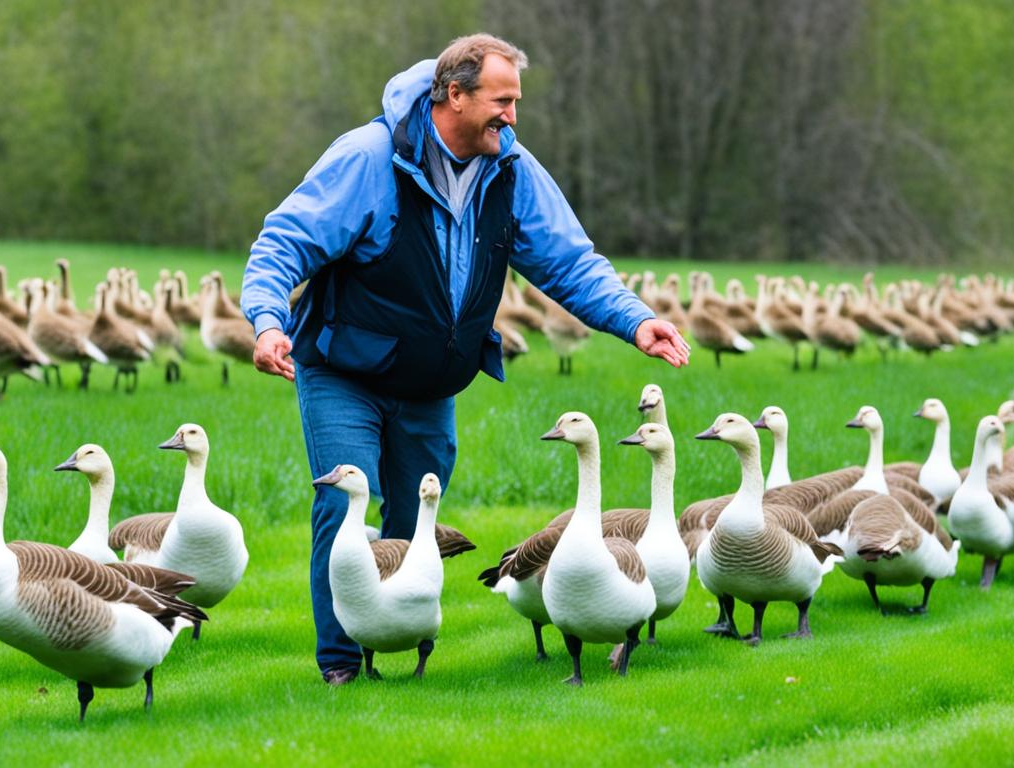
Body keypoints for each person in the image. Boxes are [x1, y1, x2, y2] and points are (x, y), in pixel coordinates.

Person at [240, 33, 690, 685]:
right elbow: (285, 241)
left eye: (516, 102)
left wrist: (636, 320)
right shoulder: (370, 159)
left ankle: (390, 649)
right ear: (455, 94)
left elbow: (567, 260)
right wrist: (267, 320)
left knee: (414, 519)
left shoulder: (511, 170)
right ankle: (341, 666)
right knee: (344, 508)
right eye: (502, 101)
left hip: (429, 383)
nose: (512, 116)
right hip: (345, 371)